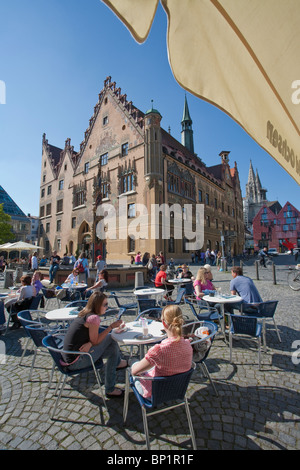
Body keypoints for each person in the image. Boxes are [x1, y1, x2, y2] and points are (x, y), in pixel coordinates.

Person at [61, 292, 127, 398]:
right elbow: (96, 341)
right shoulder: (94, 318)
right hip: (77, 361)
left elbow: (93, 340)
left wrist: (90, 343)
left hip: (69, 357)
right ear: (97, 305)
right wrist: (110, 327)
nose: (107, 307)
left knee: (112, 350)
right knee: (111, 338)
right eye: (105, 304)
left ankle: (112, 383)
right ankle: (113, 378)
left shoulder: (83, 313)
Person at [131, 305, 193, 398]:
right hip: (178, 389)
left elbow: (135, 371)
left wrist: (134, 364)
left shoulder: (159, 350)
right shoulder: (188, 344)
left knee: (133, 364)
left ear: (163, 323)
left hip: (157, 393)